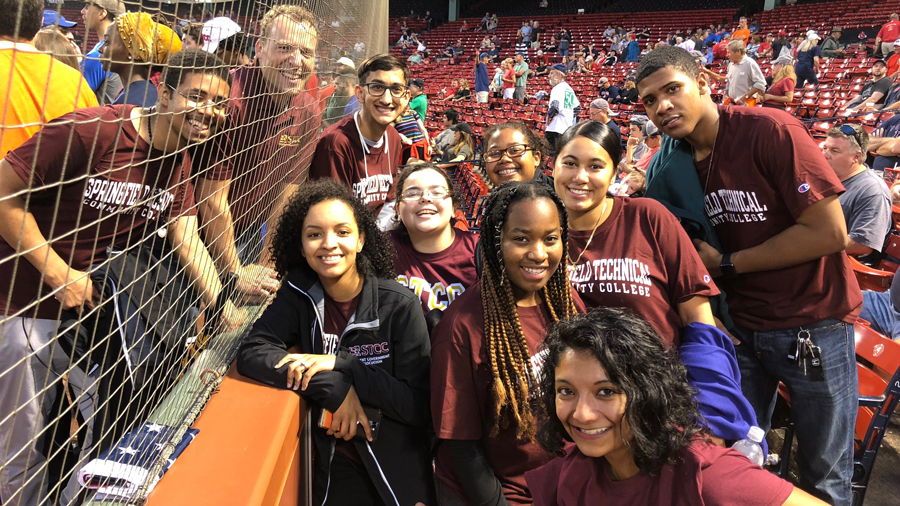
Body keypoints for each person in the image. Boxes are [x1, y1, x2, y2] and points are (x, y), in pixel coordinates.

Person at [0, 48, 236, 506]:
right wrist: (58, 272)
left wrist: (223, 302)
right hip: (25, 302)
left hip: (93, 313)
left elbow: (185, 231)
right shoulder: (94, 130)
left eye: (218, 102)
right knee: (23, 441)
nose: (208, 110)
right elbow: (4, 196)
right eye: (197, 96)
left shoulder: (180, 156)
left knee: (110, 420)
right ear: (164, 94)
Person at [636, 45, 862, 505]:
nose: (662, 106)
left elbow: (830, 232)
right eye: (649, 100)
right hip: (739, 330)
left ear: (703, 81)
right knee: (735, 459)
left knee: (824, 474)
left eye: (672, 90)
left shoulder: (771, 130)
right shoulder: (669, 161)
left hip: (811, 323)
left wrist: (728, 265)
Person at [236, 179, 435, 506]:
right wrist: (332, 385)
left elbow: (419, 406)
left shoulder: (399, 305)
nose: (329, 244)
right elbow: (253, 352)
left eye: (342, 232)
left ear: (360, 240)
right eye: (315, 234)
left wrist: (347, 366)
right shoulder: (299, 293)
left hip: (394, 463)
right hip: (335, 460)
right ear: (301, 246)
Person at [525, 309, 829, 506]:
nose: (581, 414)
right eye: (566, 391)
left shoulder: (705, 478)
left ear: (647, 392)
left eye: (606, 392)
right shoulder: (572, 474)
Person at [431, 180, 584, 506]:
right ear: (495, 242)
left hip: (563, 482)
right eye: (521, 239)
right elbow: (462, 446)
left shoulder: (566, 303)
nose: (539, 253)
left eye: (551, 239)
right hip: (498, 494)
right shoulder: (461, 329)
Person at [553, 120, 719, 346]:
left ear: (613, 174)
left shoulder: (648, 217)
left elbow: (695, 313)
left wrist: (707, 375)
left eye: (595, 167)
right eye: (570, 163)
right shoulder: (540, 232)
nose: (580, 177)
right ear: (554, 167)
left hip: (660, 376)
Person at [195, 5, 322, 269]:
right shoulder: (228, 98)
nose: (297, 61)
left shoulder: (308, 110)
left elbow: (287, 193)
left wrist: (266, 265)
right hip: (197, 232)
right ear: (260, 48)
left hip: (251, 230)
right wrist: (236, 276)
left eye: (306, 52)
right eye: (285, 48)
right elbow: (211, 201)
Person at [309, 54, 408, 230]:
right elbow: (333, 219)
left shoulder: (393, 137)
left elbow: (389, 200)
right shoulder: (335, 144)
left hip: (377, 235)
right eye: (377, 87)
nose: (387, 99)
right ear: (360, 93)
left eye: (396, 89)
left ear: (406, 97)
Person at [389, 164, 479, 314]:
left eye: (437, 192)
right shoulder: (382, 248)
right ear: (398, 210)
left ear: (453, 208)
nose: (425, 198)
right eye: (412, 194)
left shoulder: (479, 252)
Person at [822, 125, 892, 257]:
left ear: (856, 157)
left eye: (834, 151)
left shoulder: (873, 190)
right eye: (825, 148)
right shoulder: (823, 178)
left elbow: (863, 245)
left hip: (841, 264)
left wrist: (811, 245)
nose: (825, 155)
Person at [100, 11, 182, 107]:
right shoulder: (146, 91)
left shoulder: (134, 102)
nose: (100, 49)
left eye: (107, 42)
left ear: (133, 52)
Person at [80, 0, 124, 104]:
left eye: (87, 7)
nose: (82, 11)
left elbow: (74, 95)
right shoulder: (122, 50)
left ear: (102, 13)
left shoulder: (99, 55)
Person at [482, 122, 552, 187]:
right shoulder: (503, 197)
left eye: (515, 150)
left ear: (536, 158)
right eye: (495, 153)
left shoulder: (556, 196)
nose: (504, 159)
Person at [703, 41, 766, 107]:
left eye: (729, 52)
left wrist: (745, 96)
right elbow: (726, 80)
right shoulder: (731, 65)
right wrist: (707, 71)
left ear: (738, 52)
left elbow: (761, 83)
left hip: (746, 104)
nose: (727, 55)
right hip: (732, 103)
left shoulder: (750, 63)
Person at [545, 64, 581, 151]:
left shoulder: (557, 88)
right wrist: (568, 116)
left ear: (559, 75)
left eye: (552, 73)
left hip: (555, 128)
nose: (549, 76)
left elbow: (554, 106)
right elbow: (578, 108)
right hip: (567, 129)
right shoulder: (569, 89)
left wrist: (550, 117)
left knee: (553, 157)